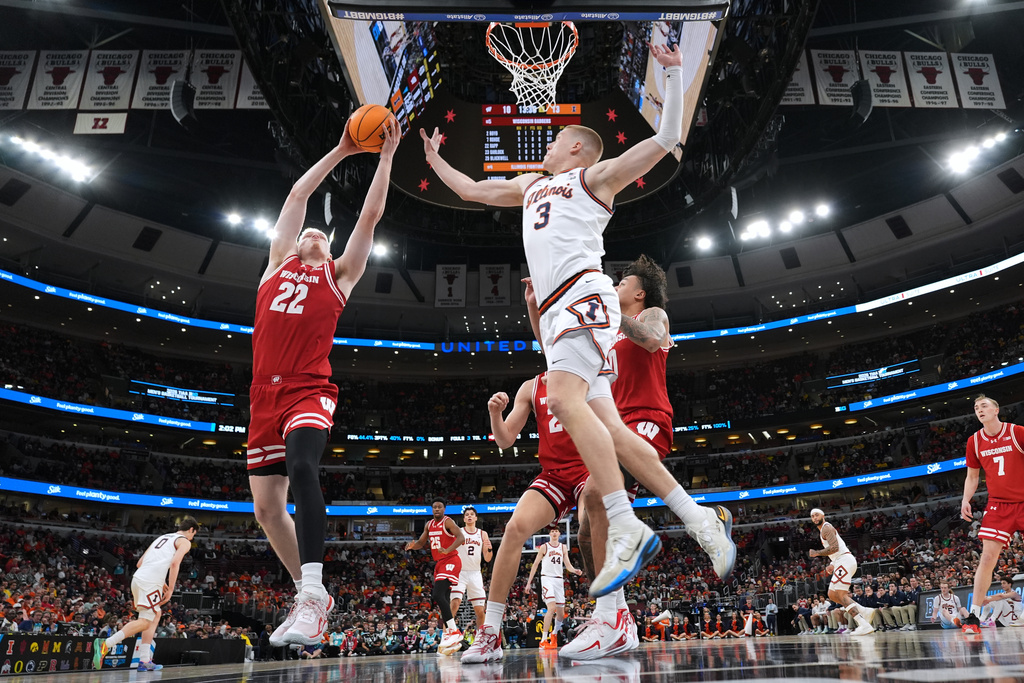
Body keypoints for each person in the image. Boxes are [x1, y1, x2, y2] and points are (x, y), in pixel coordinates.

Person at [421, 42, 733, 600]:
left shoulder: (595, 180)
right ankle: (699, 520)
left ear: (578, 152)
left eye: (559, 138)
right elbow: (470, 189)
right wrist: (432, 159)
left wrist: (677, 71)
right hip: (564, 305)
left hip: (585, 295)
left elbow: (665, 140)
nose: (548, 140)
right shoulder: (527, 185)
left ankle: (627, 525)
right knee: (607, 426)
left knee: (563, 399)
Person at [248, 120, 399, 648]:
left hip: (308, 389)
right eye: (305, 231)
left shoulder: (340, 275)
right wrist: (340, 149)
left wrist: (384, 158)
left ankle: (313, 595)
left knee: (304, 466)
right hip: (261, 396)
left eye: (319, 233)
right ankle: (308, 593)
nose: (311, 232)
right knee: (266, 510)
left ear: (328, 246)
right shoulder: (273, 266)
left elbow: (372, 215)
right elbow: (297, 192)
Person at [461, 373, 597, 664]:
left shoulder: (592, 369)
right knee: (514, 528)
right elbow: (505, 439)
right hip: (555, 476)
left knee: (591, 529)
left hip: (592, 467)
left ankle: (610, 616)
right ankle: (490, 633)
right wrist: (495, 414)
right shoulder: (531, 386)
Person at [93, 516, 198, 671]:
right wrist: (170, 588)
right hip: (149, 582)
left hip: (139, 578)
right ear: (191, 530)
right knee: (145, 621)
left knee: (155, 615)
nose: (192, 537)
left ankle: (144, 660)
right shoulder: (184, 541)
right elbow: (175, 563)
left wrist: (161, 582)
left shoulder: (162, 538)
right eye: (193, 534)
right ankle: (106, 644)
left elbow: (139, 563)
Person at [959, 395, 1024, 634]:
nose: (979, 409)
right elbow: (972, 476)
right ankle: (974, 615)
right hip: (999, 505)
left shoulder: (1017, 432)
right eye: (976, 408)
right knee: (987, 558)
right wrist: (966, 499)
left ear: (997, 410)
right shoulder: (974, 441)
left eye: (984, 405)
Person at [405, 498, 465, 654]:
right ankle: (448, 637)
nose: (437, 509)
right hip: (439, 563)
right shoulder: (429, 525)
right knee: (443, 598)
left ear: (444, 509)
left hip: (451, 559)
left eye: (439, 507)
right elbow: (421, 542)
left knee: (437, 594)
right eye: (434, 507)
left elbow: (461, 538)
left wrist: (448, 549)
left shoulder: (448, 522)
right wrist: (413, 546)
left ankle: (454, 631)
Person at [808, 508, 876, 636]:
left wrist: (817, 553)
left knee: (841, 594)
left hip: (845, 561)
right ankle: (864, 611)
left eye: (817, 515)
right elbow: (838, 549)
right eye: (812, 516)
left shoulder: (826, 528)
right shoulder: (824, 530)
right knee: (832, 594)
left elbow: (835, 547)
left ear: (823, 515)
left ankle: (864, 624)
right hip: (841, 561)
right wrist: (833, 564)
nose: (815, 518)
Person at [524, 528, 582, 649]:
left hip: (558, 580)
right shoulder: (544, 547)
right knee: (551, 607)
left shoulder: (563, 547)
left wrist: (574, 571)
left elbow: (567, 564)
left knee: (561, 614)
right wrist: (529, 583)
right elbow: (535, 564)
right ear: (550, 534)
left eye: (556, 531)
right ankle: (543, 639)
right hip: (547, 578)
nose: (554, 533)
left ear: (559, 534)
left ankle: (554, 634)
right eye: (552, 531)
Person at [450, 507, 492, 634]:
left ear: (475, 518)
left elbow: (488, 559)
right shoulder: (458, 532)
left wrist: (489, 549)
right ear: (464, 519)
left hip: (475, 573)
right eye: (467, 514)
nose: (469, 516)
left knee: (480, 610)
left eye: (471, 514)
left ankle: (480, 637)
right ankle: (447, 634)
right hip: (460, 572)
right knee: (455, 604)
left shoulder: (482, 534)